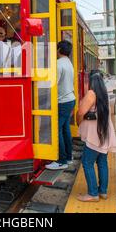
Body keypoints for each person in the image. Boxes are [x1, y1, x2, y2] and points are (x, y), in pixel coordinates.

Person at [76, 70, 116, 202]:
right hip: (103, 132)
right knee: (102, 162)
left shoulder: (91, 93)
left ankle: (93, 193)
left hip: (94, 135)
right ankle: (103, 192)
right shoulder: (104, 94)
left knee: (87, 162)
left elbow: (81, 111)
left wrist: (79, 118)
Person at [45, 41, 76, 170]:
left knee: (56, 130)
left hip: (62, 101)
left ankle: (61, 160)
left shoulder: (58, 64)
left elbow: (53, 84)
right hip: (70, 99)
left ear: (58, 49)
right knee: (65, 129)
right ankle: (68, 157)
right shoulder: (69, 63)